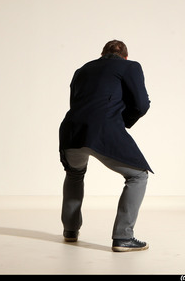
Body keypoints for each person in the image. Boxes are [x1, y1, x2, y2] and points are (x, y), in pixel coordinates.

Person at [58, 40, 152, 252]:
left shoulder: (81, 70)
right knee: (138, 176)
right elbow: (142, 104)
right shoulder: (130, 66)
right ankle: (123, 237)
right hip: (103, 129)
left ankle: (70, 231)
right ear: (125, 57)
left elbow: (76, 102)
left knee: (74, 173)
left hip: (71, 130)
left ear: (101, 54)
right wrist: (122, 122)